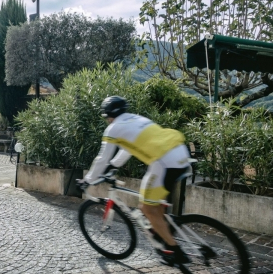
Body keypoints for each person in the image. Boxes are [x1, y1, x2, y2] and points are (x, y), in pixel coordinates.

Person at [79, 96, 191, 264]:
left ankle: (174, 251)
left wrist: (87, 180)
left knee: (146, 207)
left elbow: (102, 158)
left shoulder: (113, 129)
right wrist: (114, 165)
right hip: (181, 153)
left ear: (108, 115)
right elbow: (128, 149)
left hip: (164, 162)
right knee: (154, 203)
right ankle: (162, 234)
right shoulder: (137, 119)